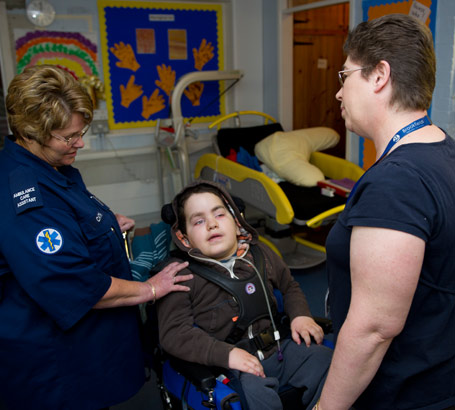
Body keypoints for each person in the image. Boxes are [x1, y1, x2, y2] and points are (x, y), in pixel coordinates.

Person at [0, 64, 192, 410]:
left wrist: (100, 225)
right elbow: (74, 283)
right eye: (69, 137)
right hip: (54, 358)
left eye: (81, 130)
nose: (80, 142)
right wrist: (151, 289)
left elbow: (67, 221)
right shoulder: (27, 195)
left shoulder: (51, 167)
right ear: (30, 132)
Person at [314, 14, 455, 410]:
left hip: (404, 391)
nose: (339, 93)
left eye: (345, 76)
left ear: (379, 76)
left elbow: (375, 328)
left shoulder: (397, 182)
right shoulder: (444, 151)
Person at [157, 180, 332, 410]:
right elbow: (174, 334)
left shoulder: (260, 254)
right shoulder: (179, 275)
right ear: (185, 238)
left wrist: (300, 315)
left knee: (326, 361)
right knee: (255, 396)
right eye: (198, 221)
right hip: (230, 366)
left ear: (236, 220)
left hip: (278, 349)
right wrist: (228, 355)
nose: (211, 224)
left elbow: (289, 286)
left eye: (219, 215)